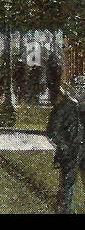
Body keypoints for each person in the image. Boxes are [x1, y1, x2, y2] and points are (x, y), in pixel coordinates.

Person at [46, 76, 85, 213]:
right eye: (80, 88)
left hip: (83, 149)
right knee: (68, 183)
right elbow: (52, 132)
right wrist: (65, 147)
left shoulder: (83, 107)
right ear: (74, 90)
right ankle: (65, 210)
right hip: (70, 151)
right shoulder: (62, 107)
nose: (82, 91)